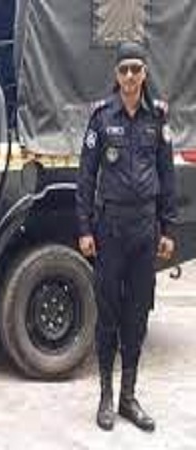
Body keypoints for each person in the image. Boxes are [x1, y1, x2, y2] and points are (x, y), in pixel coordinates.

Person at [76, 41, 177, 432]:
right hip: (110, 229)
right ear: (116, 75)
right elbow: (86, 176)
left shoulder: (157, 118)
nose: (131, 76)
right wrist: (85, 228)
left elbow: (167, 175)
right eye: (124, 70)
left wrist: (168, 228)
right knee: (108, 316)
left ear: (144, 74)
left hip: (144, 231)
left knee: (137, 316)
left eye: (136, 69)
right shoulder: (102, 118)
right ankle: (105, 395)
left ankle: (128, 397)